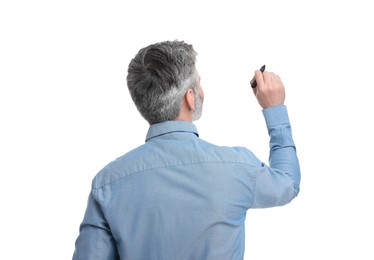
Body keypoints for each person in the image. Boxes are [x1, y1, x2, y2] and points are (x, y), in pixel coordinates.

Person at [72, 40, 300, 260]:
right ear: (190, 98)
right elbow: (287, 184)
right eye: (198, 83)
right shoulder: (237, 168)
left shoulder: (107, 183)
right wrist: (275, 108)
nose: (201, 89)